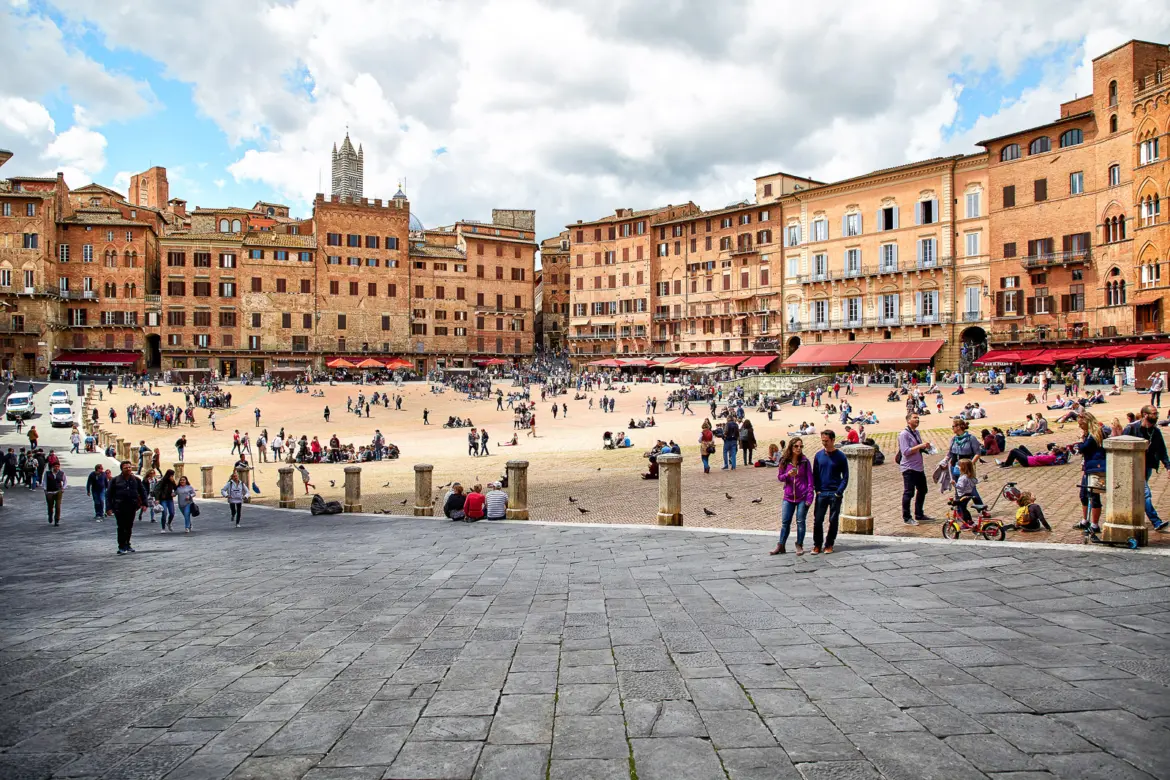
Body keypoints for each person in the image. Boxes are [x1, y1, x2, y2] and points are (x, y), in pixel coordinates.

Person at [1122, 404, 1170, 532]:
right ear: (1145, 415)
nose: (1156, 415)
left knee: (1138, 494)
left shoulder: (1155, 431)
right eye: (1153, 413)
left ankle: (1132, 518)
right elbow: (1120, 447)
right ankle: (1156, 521)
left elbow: (1162, 450)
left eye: (1156, 413)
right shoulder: (1131, 428)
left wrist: (1168, 466)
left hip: (1147, 466)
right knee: (1145, 493)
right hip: (1133, 467)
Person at [772, 438, 813, 556]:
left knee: (800, 521)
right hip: (788, 497)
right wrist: (788, 475)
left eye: (801, 446)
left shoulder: (805, 462)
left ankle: (799, 544)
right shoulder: (784, 461)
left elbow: (810, 480)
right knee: (785, 522)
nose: (799, 448)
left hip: (802, 496)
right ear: (791, 447)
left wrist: (809, 497)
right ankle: (781, 545)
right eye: (796, 446)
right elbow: (780, 477)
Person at [811, 430, 848, 555]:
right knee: (818, 520)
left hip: (834, 493)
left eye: (826, 441)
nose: (824, 443)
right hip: (822, 493)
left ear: (833, 440)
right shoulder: (818, 456)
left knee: (833, 520)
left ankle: (829, 544)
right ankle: (817, 544)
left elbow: (846, 476)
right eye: (822, 441)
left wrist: (839, 491)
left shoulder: (841, 456)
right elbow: (815, 474)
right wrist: (818, 490)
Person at [1074, 411, 1107, 535]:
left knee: (1094, 495)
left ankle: (1095, 524)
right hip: (1089, 466)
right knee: (1083, 494)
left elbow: (1084, 448)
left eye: (1081, 424)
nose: (1079, 427)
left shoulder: (1095, 434)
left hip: (1097, 467)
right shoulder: (1088, 434)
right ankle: (1085, 520)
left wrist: (1079, 444)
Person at [897, 412, 931, 526]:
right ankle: (907, 517)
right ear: (908, 421)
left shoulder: (916, 432)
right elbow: (905, 451)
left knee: (923, 490)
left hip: (918, 467)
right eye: (915, 418)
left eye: (918, 418)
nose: (917, 419)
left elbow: (917, 449)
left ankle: (919, 514)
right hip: (909, 468)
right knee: (909, 492)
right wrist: (920, 446)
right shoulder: (904, 434)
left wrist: (925, 448)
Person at [106, 460, 146, 554]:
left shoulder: (136, 480)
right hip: (119, 507)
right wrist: (108, 508)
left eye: (129, 467)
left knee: (129, 526)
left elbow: (142, 491)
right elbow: (108, 495)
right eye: (126, 468)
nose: (128, 469)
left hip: (132, 506)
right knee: (121, 526)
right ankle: (121, 546)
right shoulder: (115, 480)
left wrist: (145, 503)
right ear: (122, 469)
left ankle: (127, 543)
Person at [953, 458, 978, 528]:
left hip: (962, 495)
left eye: (959, 466)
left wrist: (954, 484)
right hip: (969, 494)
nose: (958, 467)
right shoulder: (971, 476)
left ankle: (966, 522)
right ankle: (970, 521)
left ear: (963, 468)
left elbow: (960, 487)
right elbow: (976, 481)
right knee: (964, 508)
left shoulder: (962, 478)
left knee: (962, 508)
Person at [43, 460, 67, 526]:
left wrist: (63, 488)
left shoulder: (62, 473)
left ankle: (57, 520)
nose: (56, 468)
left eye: (58, 466)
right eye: (55, 466)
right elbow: (44, 481)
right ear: (53, 467)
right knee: (50, 506)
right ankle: (50, 515)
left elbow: (65, 481)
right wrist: (45, 490)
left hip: (58, 491)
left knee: (58, 506)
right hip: (49, 492)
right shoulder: (47, 473)